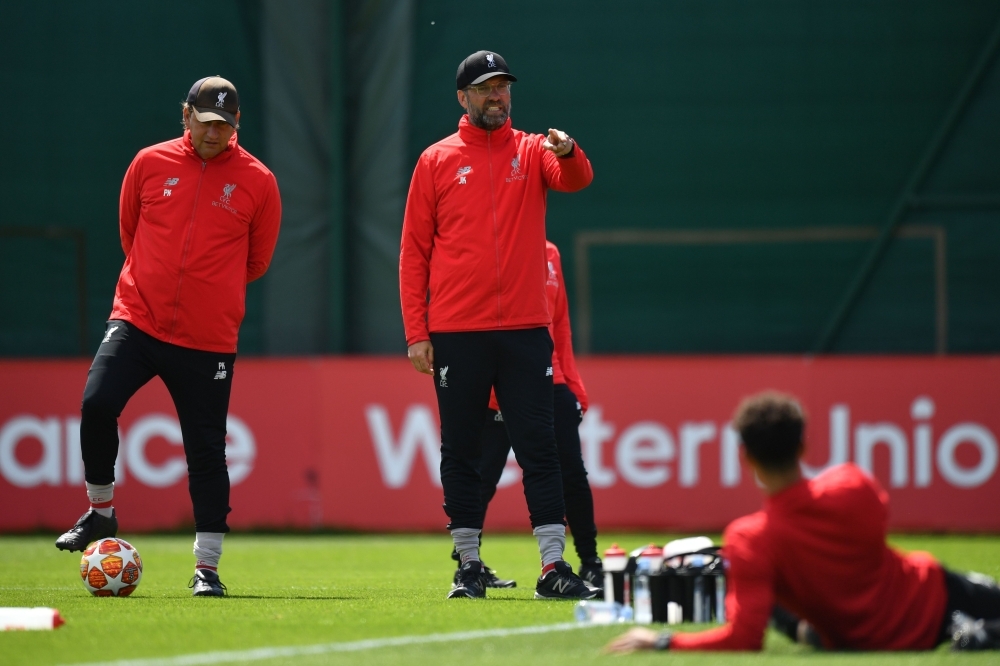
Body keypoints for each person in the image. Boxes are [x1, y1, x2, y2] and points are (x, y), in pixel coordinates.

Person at [54, 76, 282, 598]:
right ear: (186, 117)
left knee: (206, 452)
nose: (214, 135)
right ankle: (100, 512)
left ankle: (207, 568)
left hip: (208, 338)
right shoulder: (149, 163)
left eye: (224, 127)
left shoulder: (258, 181)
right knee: (96, 402)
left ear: (236, 126)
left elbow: (257, 260)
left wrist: (208, 290)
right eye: (205, 124)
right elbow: (130, 233)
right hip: (137, 318)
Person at [400, 50, 597, 600]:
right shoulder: (436, 159)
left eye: (503, 88)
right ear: (463, 98)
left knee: (540, 448)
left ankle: (552, 566)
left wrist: (569, 149)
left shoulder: (534, 149)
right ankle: (467, 563)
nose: (497, 97)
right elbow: (413, 250)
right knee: (460, 448)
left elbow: (576, 178)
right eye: (486, 89)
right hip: (457, 330)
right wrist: (417, 329)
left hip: (524, 329)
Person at [605, 392, 1000, 653]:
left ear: (745, 457)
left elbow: (744, 636)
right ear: (803, 446)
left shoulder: (751, 538)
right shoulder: (852, 483)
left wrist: (660, 641)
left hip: (859, 638)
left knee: (768, 588)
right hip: (935, 594)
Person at [449, 241, 603, 590]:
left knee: (572, 474)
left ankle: (590, 563)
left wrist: (574, 384)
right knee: (481, 477)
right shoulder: (485, 248)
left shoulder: (550, 253)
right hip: (495, 388)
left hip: (551, 379)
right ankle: (469, 565)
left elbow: (559, 323)